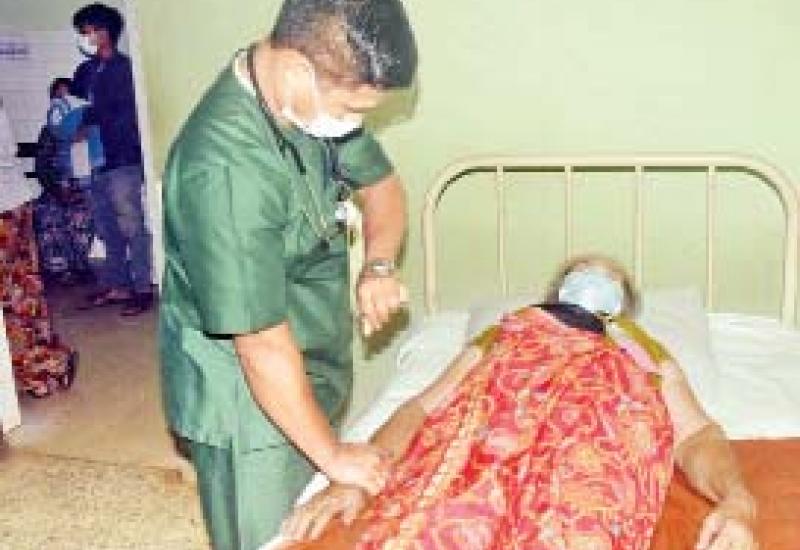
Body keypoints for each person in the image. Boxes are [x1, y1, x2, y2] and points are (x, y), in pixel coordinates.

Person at [159, 0, 417, 548]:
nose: (354, 123)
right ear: (299, 69)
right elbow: (260, 345)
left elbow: (382, 188)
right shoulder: (225, 171)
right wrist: (333, 455)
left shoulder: (307, 103)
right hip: (246, 399)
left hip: (307, 357)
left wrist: (378, 265)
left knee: (319, 513)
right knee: (274, 536)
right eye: (350, 108)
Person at [281, 255, 758, 550]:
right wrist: (356, 478)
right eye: (581, 273)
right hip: (486, 453)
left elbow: (696, 434)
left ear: (623, 306)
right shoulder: (508, 331)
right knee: (445, 524)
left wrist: (738, 500)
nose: (594, 279)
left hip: (588, 459)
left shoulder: (638, 348)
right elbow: (421, 409)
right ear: (557, 293)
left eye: (609, 278)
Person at [71, 3, 153, 316]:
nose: (84, 37)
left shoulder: (125, 69)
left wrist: (89, 118)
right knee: (107, 228)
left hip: (122, 160)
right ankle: (117, 285)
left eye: (88, 31)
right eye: (82, 32)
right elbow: (74, 109)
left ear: (106, 33)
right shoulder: (85, 71)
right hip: (94, 161)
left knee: (131, 225)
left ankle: (143, 289)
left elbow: (121, 114)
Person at [0, 100, 78, 398]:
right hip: (13, 203)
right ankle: (48, 366)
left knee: (14, 297)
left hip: (6, 209)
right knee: (23, 291)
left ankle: (41, 370)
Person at [33, 77, 98, 284]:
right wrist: (57, 190)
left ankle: (80, 266)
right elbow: (42, 166)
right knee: (46, 212)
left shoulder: (91, 128)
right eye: (58, 98)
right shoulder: (48, 132)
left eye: (67, 97)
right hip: (56, 188)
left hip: (84, 188)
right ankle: (58, 269)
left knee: (81, 213)